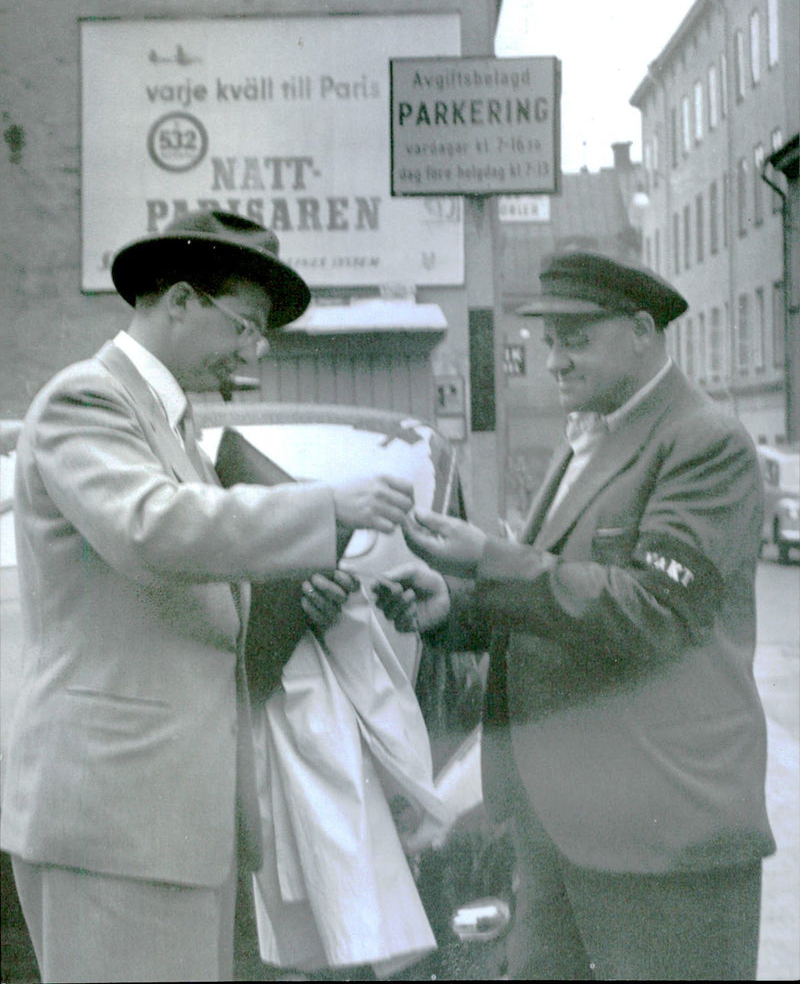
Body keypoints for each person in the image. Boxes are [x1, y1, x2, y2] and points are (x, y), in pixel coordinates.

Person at [0, 209, 415, 984]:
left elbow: (192, 585)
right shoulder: (84, 401)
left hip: (160, 816)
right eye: (246, 326)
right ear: (182, 300)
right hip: (117, 819)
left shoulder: (168, 425)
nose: (254, 352)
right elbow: (153, 529)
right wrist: (329, 507)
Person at [375, 250, 776, 981]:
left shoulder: (704, 441)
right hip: (563, 824)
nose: (553, 361)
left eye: (575, 339)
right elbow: (558, 596)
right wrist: (454, 609)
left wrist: (492, 558)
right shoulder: (593, 435)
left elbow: (652, 611)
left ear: (643, 331)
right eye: (546, 343)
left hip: (660, 832)